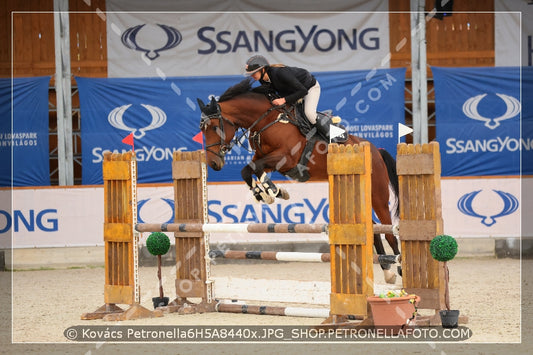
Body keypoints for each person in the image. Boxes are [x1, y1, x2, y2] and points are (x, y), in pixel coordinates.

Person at [244, 55, 320, 126]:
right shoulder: (262, 79)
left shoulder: (280, 73)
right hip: (293, 92)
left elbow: (303, 91)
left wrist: (283, 100)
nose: (252, 75)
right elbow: (269, 91)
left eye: (254, 73)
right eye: (250, 73)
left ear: (263, 69)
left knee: (310, 114)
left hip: (309, 88)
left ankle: (330, 136)